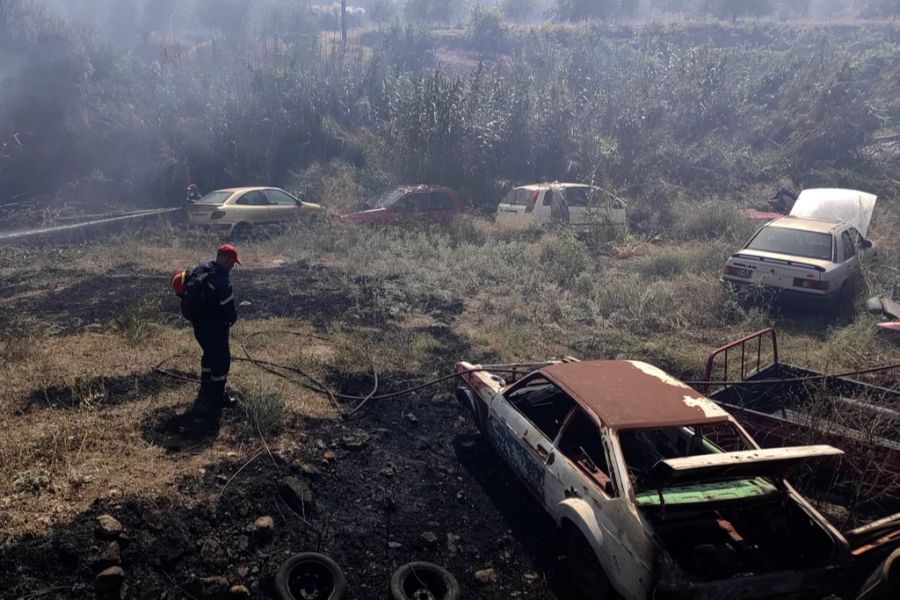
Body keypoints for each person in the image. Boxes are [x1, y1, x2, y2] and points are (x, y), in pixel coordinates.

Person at [190, 243, 240, 417]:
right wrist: (232, 319)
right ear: (225, 259)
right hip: (215, 328)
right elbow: (230, 312)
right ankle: (217, 396)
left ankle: (205, 388)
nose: (233, 266)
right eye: (232, 262)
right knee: (221, 360)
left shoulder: (200, 270)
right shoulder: (222, 282)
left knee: (208, 354)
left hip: (199, 326)